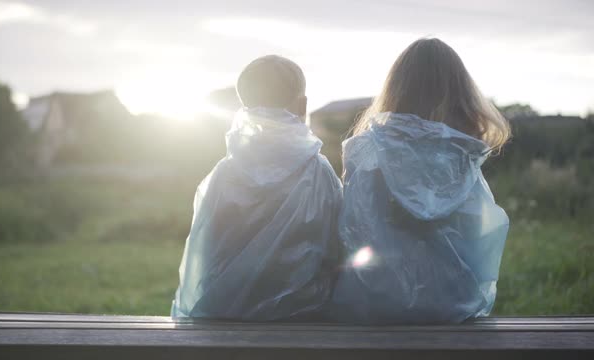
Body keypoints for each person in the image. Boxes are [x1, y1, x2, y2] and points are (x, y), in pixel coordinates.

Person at [329, 38, 511, 324]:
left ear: (395, 89)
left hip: (374, 303)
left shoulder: (363, 149)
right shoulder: (463, 153)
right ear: (460, 93)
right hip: (455, 303)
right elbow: (476, 242)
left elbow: (352, 228)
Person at [171, 55, 342, 321]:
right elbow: (336, 250)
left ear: (244, 106)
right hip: (301, 317)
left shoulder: (224, 173)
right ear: (302, 106)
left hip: (226, 315)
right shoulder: (319, 172)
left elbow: (206, 256)